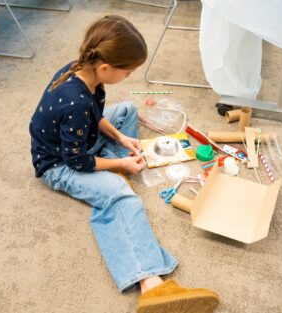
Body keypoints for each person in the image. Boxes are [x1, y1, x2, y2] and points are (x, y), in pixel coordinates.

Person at [29, 15, 219, 313]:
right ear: (105, 68)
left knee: (128, 110)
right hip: (60, 165)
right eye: (128, 72)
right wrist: (117, 167)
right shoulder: (75, 102)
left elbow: (96, 116)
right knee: (123, 198)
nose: (129, 76)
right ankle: (151, 284)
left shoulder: (81, 70)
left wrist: (120, 137)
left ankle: (117, 168)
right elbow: (76, 160)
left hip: (79, 139)